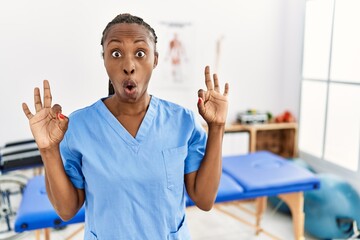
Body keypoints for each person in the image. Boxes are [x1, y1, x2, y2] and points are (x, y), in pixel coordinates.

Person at [22, 13, 229, 239]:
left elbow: (205, 200)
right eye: (116, 53)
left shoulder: (182, 122)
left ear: (155, 59)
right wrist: (48, 150)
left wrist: (217, 127)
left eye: (140, 53)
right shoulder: (79, 126)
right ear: (105, 60)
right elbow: (67, 210)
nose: (129, 65)